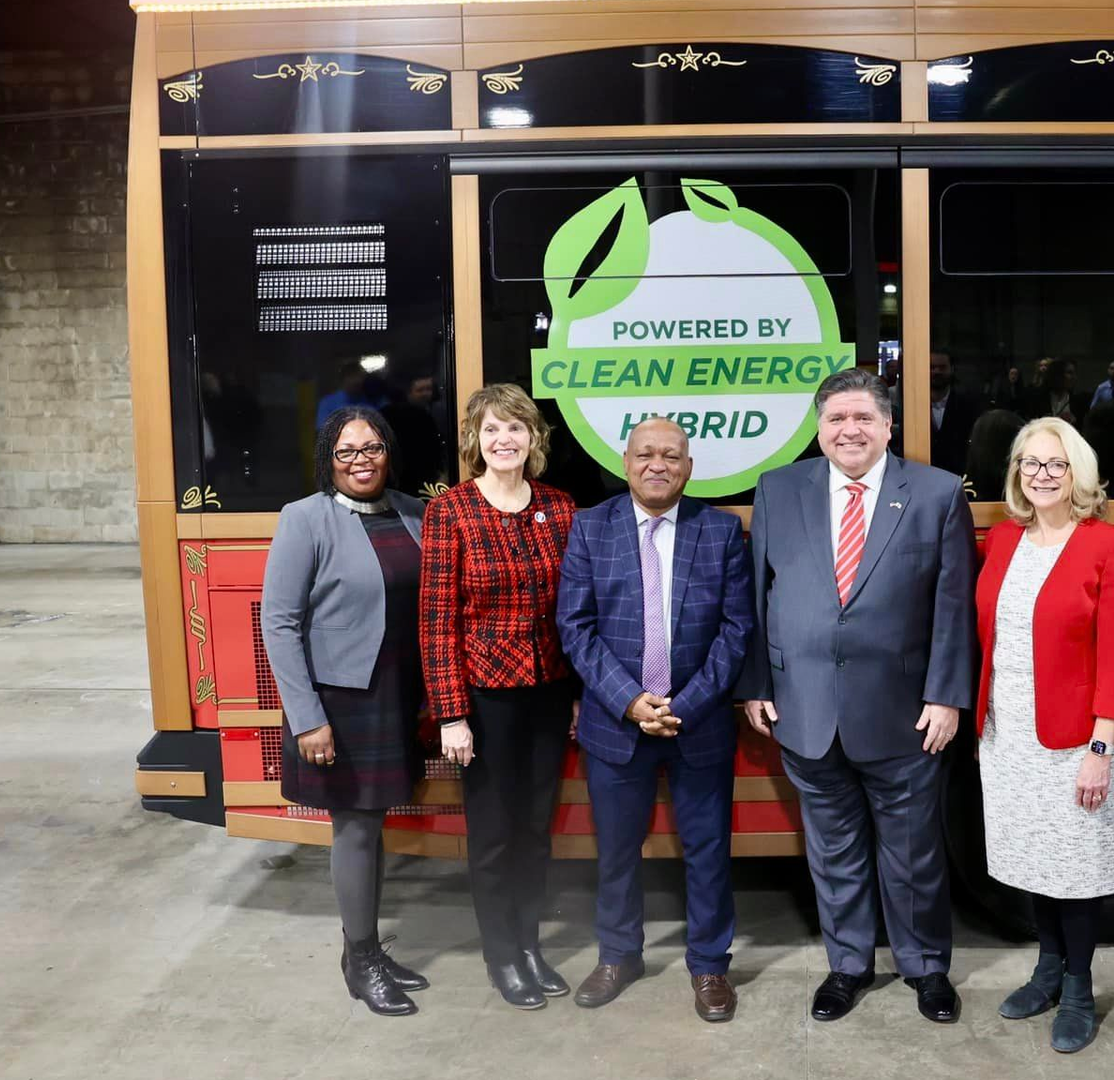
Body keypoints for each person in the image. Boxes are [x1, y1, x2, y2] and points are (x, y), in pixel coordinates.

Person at [737, 366, 977, 1025]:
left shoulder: (935, 492)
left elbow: (954, 605)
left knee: (913, 852)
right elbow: (756, 594)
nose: (850, 430)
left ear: (888, 426)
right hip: (804, 709)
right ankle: (847, 966)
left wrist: (947, 696)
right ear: (819, 428)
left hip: (905, 714)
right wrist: (756, 684)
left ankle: (925, 968)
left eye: (863, 417)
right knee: (832, 850)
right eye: (836, 418)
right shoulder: (779, 489)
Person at [555, 418, 755, 1023]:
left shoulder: (720, 531)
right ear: (626, 463)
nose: (658, 465)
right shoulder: (591, 528)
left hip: (700, 721)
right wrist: (630, 700)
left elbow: (736, 630)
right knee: (617, 851)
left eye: (671, 455)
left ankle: (710, 965)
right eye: (646, 454)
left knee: (708, 851)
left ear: (689, 468)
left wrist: (683, 705)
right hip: (616, 723)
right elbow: (575, 627)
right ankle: (618, 956)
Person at [975, 417, 1114, 1054]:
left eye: (1056, 464)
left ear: (1078, 474)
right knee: (1032, 861)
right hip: (1008, 733)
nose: (1041, 475)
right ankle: (1047, 970)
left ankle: (1078, 988)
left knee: (1077, 869)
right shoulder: (1002, 540)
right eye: (1030, 463)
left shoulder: (1109, 546)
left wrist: (1101, 749)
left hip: (1079, 740)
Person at [260, 406, 428, 1016]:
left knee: (373, 825)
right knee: (355, 828)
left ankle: (370, 949)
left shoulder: (415, 511)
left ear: (389, 452)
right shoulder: (304, 518)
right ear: (328, 459)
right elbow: (279, 623)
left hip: (397, 693)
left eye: (372, 448)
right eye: (346, 451)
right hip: (340, 700)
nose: (361, 460)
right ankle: (359, 960)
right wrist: (307, 718)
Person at [419, 384, 579, 1011]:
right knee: (493, 833)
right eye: (491, 429)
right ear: (475, 440)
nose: (503, 439)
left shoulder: (560, 507)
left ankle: (530, 944)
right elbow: (436, 621)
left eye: (515, 427)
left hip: (550, 692)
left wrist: (576, 693)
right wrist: (451, 714)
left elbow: (575, 609)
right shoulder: (451, 511)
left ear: (533, 437)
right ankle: (501, 954)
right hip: (485, 700)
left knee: (536, 829)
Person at [928, 350, 983, 480]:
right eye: (932, 367)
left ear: (951, 369)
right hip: (923, 476)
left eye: (942, 367)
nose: (936, 372)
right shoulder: (913, 406)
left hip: (960, 477)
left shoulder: (968, 404)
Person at [317, 361, 385, 427]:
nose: (356, 380)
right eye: (351, 376)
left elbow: (381, 426)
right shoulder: (328, 403)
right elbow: (322, 429)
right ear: (343, 379)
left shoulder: (372, 401)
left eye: (359, 376)